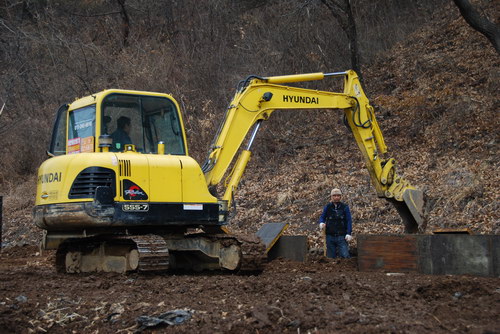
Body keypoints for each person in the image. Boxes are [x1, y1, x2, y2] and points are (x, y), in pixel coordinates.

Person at [319, 188, 353, 258]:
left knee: (345, 256)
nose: (336, 197)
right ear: (331, 197)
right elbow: (322, 217)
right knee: (330, 257)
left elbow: (349, 220)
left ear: (340, 197)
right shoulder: (327, 207)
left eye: (338, 195)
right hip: (330, 236)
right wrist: (321, 223)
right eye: (334, 196)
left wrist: (348, 233)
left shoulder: (345, 207)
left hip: (341, 236)